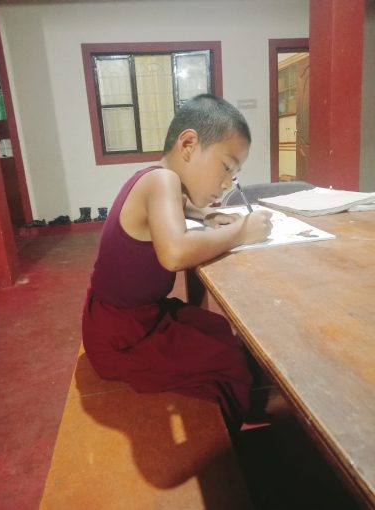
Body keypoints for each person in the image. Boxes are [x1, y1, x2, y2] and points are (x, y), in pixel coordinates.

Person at [82, 94, 272, 432]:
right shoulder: (161, 181)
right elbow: (174, 253)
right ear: (188, 144)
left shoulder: (156, 179)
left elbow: (181, 207)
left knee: (214, 328)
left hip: (129, 318)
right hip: (122, 337)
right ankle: (223, 446)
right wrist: (242, 231)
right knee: (225, 357)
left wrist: (206, 214)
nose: (228, 183)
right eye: (227, 167)